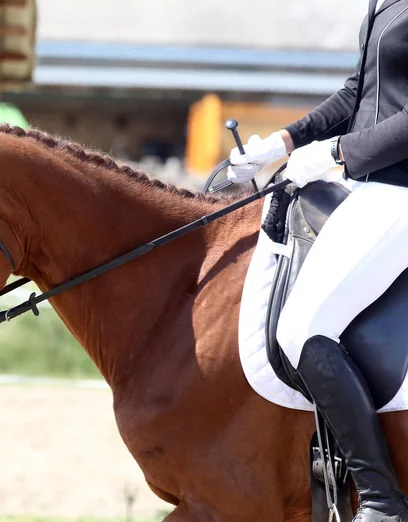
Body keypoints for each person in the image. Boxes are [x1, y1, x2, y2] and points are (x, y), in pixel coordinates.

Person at [227, 1, 408, 521]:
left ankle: (382, 502)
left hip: (401, 191)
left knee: (302, 327)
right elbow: (360, 92)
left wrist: (336, 155)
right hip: (369, 187)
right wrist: (281, 143)